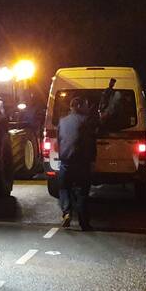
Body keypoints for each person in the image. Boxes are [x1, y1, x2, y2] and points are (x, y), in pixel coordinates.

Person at [57, 96, 97, 229]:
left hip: (65, 162)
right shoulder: (86, 121)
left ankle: (67, 212)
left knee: (64, 188)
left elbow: (59, 141)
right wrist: (92, 160)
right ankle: (84, 223)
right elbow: (91, 143)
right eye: (85, 105)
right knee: (82, 192)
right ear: (79, 106)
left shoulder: (62, 121)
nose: (87, 108)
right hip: (81, 163)